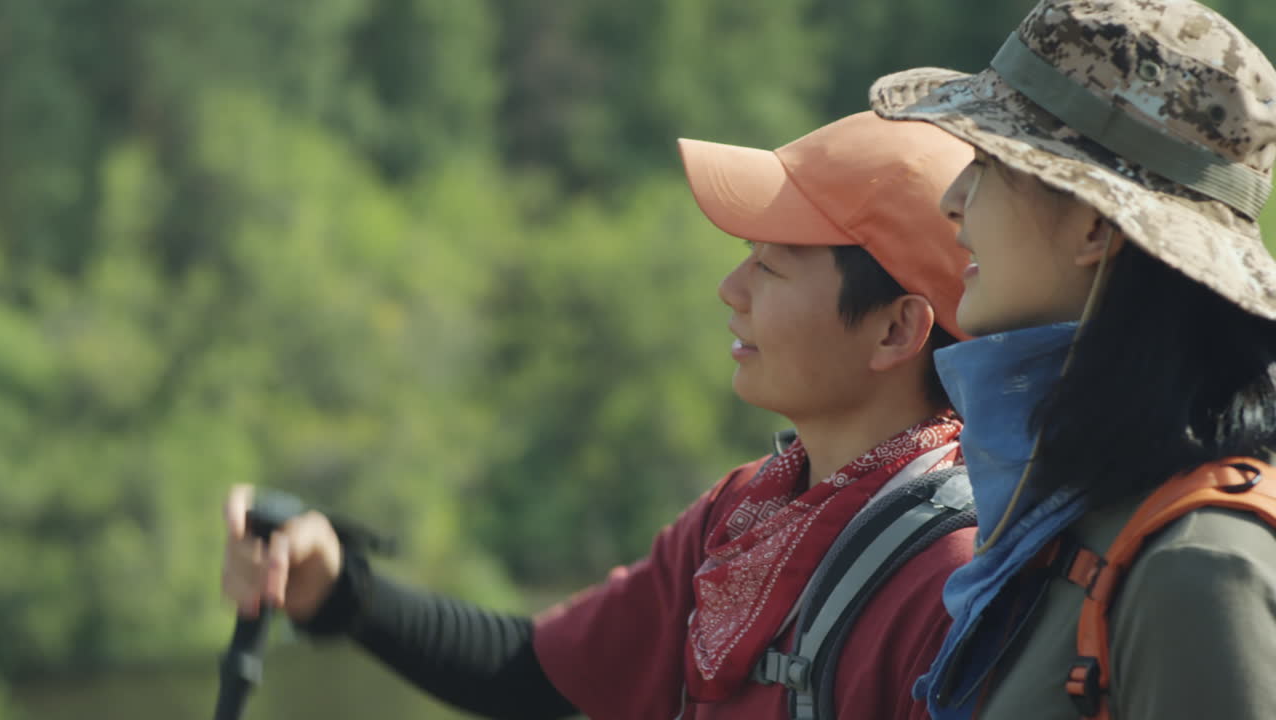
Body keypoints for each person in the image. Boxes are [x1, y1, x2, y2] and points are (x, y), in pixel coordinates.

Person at [221, 105, 976, 719]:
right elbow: (534, 673)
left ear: (896, 329)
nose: (730, 289)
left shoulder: (956, 581)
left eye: (772, 265)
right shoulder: (744, 512)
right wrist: (338, 589)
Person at [868, 0, 1276, 718]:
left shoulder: (1199, 566)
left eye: (989, 163)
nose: (952, 199)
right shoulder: (1075, 518)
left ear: (1093, 225)